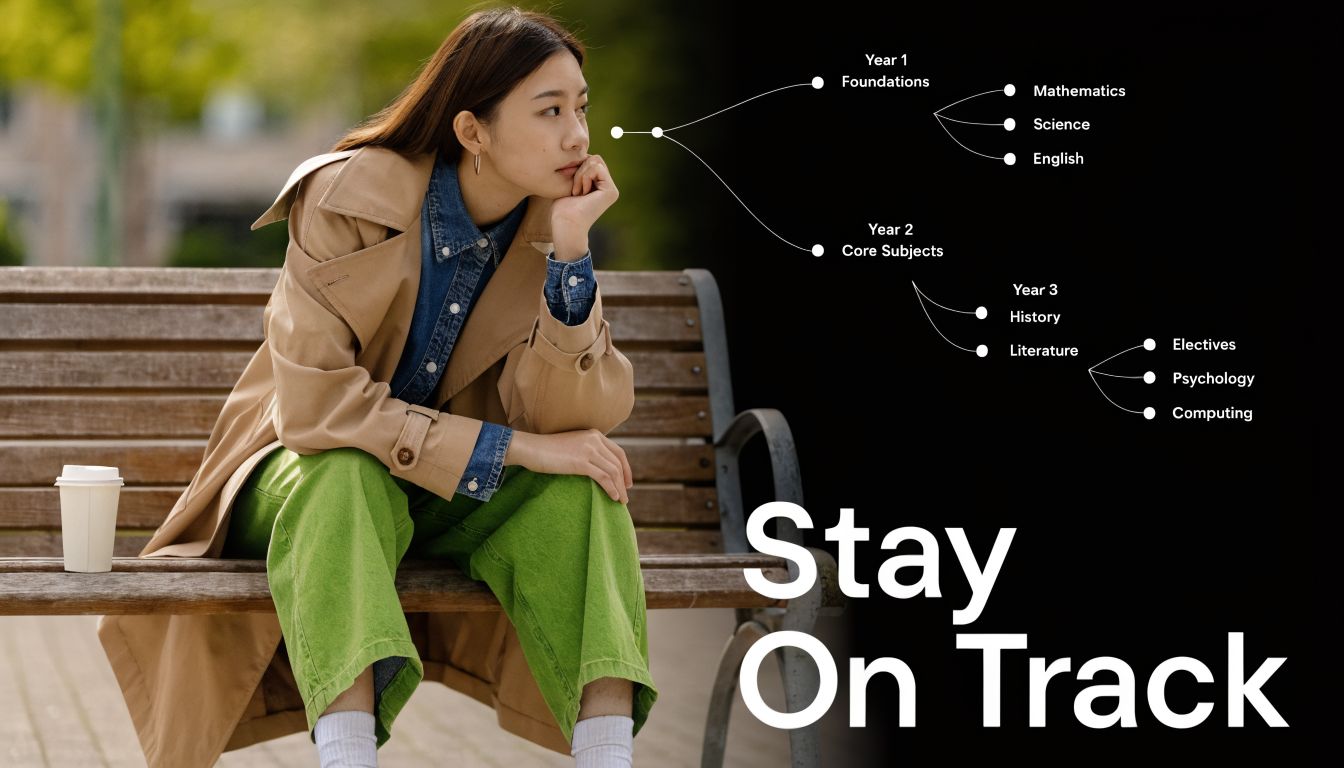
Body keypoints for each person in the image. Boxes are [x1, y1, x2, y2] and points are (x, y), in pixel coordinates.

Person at [98, 6, 656, 768]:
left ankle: (608, 758)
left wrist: (568, 255)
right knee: (346, 475)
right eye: (550, 111)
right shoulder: (342, 200)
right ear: (473, 131)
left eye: (581, 108)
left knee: (584, 493)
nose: (577, 137)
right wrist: (517, 448)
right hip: (302, 477)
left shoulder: (550, 231)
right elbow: (318, 409)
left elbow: (579, 418)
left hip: (441, 495)